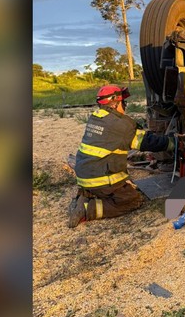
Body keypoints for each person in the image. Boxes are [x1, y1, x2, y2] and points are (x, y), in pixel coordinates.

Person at [68, 85, 173, 227]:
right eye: (124, 102)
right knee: (132, 200)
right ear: (115, 103)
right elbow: (147, 142)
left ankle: (86, 194)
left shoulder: (96, 118)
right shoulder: (121, 124)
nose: (125, 105)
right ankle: (87, 210)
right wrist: (172, 143)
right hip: (99, 179)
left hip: (84, 175)